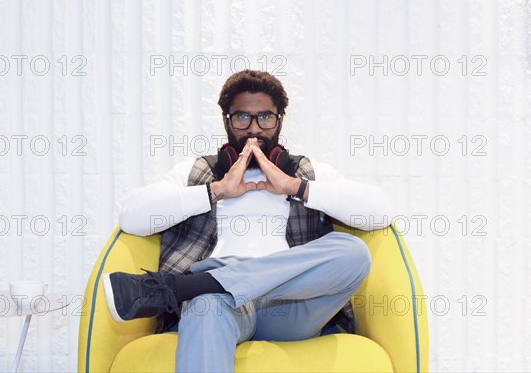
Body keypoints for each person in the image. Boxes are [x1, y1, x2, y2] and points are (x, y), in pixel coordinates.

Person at [103, 70, 393, 372]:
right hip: (221, 305)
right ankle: (202, 287)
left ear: (280, 120)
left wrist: (295, 187)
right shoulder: (197, 172)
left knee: (353, 253)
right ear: (227, 121)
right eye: (242, 117)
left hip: (290, 306)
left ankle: (178, 288)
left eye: (265, 117)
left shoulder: (305, 172)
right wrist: (216, 190)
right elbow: (132, 217)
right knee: (205, 304)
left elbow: (379, 211)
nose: (254, 129)